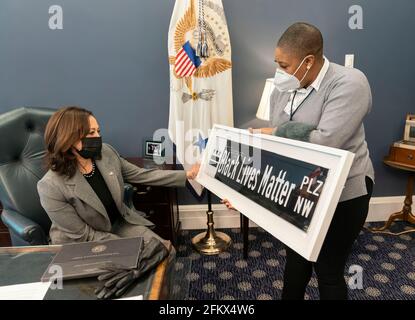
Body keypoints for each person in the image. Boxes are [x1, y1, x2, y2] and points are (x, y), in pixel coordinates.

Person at [222, 22, 374, 300]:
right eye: (277, 64)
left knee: (327, 267)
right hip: (302, 190)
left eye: (285, 65)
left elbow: (325, 142)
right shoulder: (282, 88)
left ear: (308, 61)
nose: (280, 72)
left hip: (344, 192)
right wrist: (244, 191)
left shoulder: (350, 83)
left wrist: (278, 132)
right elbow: (279, 148)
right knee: (296, 260)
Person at [37, 106, 200, 246]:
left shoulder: (106, 152)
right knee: (133, 266)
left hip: (118, 225)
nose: (97, 137)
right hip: (81, 242)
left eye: (98, 131)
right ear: (68, 139)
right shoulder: (50, 185)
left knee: (165, 250)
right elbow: (84, 235)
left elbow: (141, 175)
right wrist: (127, 246)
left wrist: (187, 175)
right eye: (90, 133)